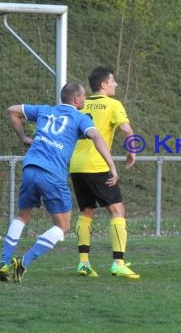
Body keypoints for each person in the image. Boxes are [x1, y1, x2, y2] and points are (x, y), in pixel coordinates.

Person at [0, 82, 118, 283]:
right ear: (77, 100)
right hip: (52, 173)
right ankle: (24, 262)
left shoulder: (46, 110)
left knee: (22, 216)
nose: (85, 100)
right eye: (84, 97)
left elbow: (13, 110)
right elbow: (96, 136)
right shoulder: (80, 118)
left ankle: (4, 261)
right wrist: (111, 166)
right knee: (62, 226)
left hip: (30, 167)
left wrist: (24, 137)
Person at [69, 66, 139, 279]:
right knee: (117, 211)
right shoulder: (113, 104)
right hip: (98, 165)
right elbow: (126, 129)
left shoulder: (80, 103)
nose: (116, 84)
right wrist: (132, 151)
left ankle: (83, 263)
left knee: (86, 211)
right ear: (103, 85)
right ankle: (118, 262)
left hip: (76, 164)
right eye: (113, 81)